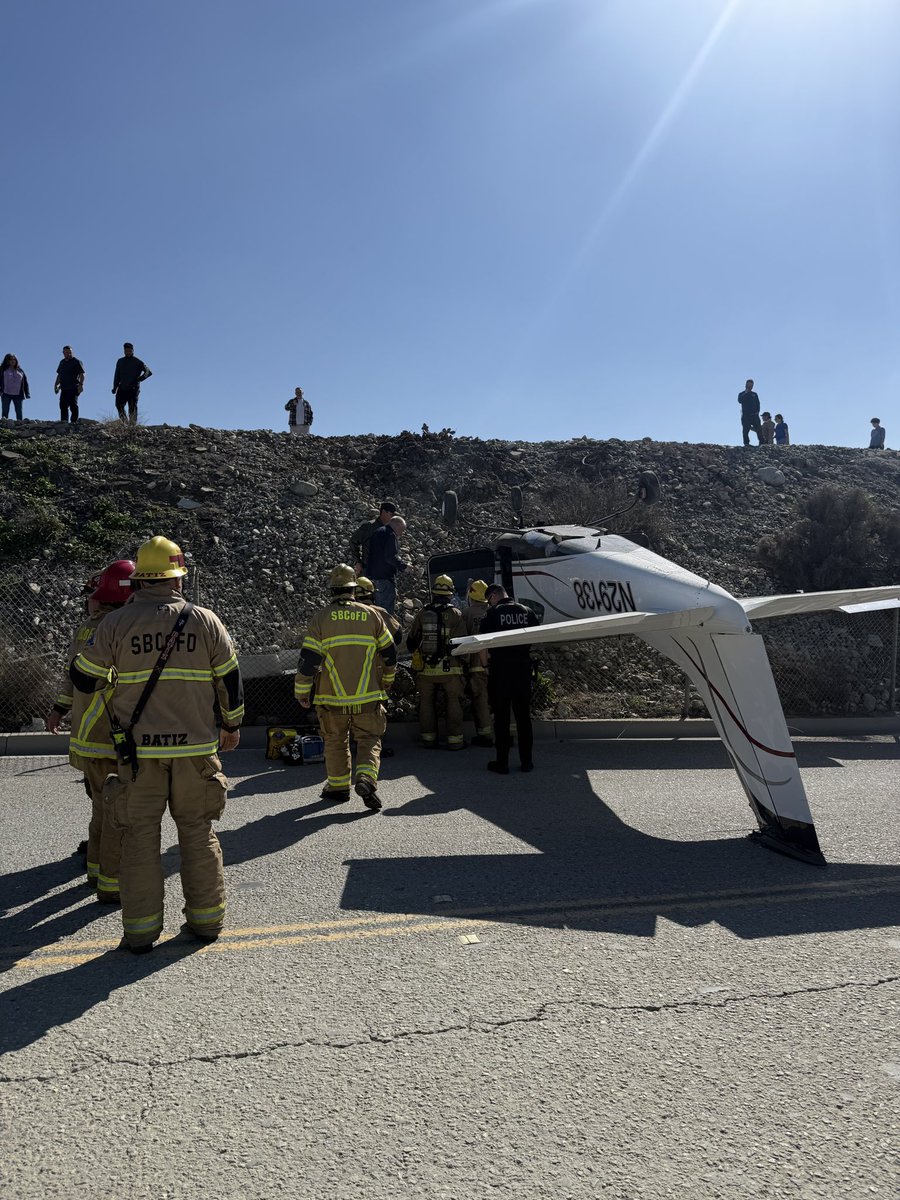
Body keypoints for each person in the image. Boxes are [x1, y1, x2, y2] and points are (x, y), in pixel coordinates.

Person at [70, 536, 243, 953]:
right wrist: (231, 725)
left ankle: (141, 931)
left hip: (139, 756)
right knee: (198, 834)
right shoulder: (205, 620)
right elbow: (231, 679)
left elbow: (84, 680)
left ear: (140, 580)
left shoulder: (115, 624)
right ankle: (206, 921)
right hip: (195, 752)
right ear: (177, 578)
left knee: (139, 839)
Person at [46, 560, 135, 901]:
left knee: (100, 804)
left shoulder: (87, 629)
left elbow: (71, 676)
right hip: (112, 735)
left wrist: (59, 709)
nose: (89, 599)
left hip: (88, 734)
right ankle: (110, 879)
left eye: (92, 594)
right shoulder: (124, 628)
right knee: (116, 809)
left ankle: (96, 871)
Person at [294, 564, 397, 810]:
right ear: (353, 588)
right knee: (369, 738)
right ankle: (366, 777)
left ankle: (339, 787)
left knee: (335, 741)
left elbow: (309, 661)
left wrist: (301, 691)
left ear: (332, 589)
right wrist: (388, 680)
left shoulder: (321, 619)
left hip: (332, 698)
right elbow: (390, 653)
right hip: (368, 696)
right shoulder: (372, 615)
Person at [478, 584, 539, 774]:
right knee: (523, 718)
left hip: (501, 671)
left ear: (494, 596)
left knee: (501, 719)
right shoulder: (527, 611)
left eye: (489, 600)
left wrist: (485, 666)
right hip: (522, 670)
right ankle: (527, 762)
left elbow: (482, 643)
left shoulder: (492, 614)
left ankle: (502, 763)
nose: (489, 603)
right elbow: (537, 638)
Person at [406, 574, 468, 750]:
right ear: (450, 594)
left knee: (426, 701)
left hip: (426, 669)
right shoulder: (455, 614)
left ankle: (428, 739)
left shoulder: (422, 613)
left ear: (433, 592)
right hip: (450, 669)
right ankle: (455, 741)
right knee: (453, 700)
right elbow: (462, 644)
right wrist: (465, 664)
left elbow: (411, 642)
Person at [461, 580, 494, 746]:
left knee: (481, 700)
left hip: (476, 665)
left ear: (471, 595)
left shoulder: (467, 613)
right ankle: (509, 733)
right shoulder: (493, 611)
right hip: (496, 665)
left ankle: (485, 735)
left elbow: (462, 639)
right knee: (501, 698)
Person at [360, 514, 408, 616]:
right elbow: (390, 557)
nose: (401, 533)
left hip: (372, 577)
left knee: (375, 610)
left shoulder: (377, 532)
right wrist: (404, 566)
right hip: (385, 578)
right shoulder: (390, 535)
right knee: (386, 612)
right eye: (402, 530)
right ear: (397, 525)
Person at [349, 501, 398, 572]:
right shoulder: (369, 527)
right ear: (383, 512)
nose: (393, 518)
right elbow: (353, 541)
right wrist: (357, 562)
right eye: (391, 514)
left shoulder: (391, 529)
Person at [111, 342, 152, 424]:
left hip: (133, 388)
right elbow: (117, 375)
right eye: (126, 351)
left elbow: (148, 372)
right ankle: (125, 422)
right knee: (118, 404)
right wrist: (115, 387)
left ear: (133, 351)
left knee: (132, 407)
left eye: (129, 351)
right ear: (124, 351)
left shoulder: (137, 361)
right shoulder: (120, 361)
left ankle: (132, 425)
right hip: (122, 387)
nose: (128, 352)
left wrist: (139, 379)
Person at [54, 346, 85, 424]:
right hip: (64, 388)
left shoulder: (76, 362)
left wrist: (81, 385)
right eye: (65, 352)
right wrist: (56, 385)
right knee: (63, 405)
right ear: (63, 353)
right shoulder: (62, 362)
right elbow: (59, 375)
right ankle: (64, 421)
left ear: (72, 352)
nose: (67, 354)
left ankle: (73, 421)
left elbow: (82, 374)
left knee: (73, 405)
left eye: (69, 352)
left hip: (74, 387)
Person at [1, 353, 30, 421]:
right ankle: (4, 425)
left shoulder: (20, 370)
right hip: (5, 394)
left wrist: (27, 393)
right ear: (7, 360)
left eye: (14, 359)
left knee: (19, 412)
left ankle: (20, 425)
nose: (13, 361)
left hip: (18, 395)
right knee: (5, 412)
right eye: (11, 359)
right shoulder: (2, 369)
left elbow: (25, 383)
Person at [738, 379, 762, 446]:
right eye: (749, 385)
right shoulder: (741, 394)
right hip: (746, 415)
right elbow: (740, 401)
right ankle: (746, 443)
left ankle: (762, 443)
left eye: (752, 385)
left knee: (759, 430)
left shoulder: (754, 394)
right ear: (746, 385)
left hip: (755, 415)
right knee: (745, 430)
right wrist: (746, 393)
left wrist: (758, 411)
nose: (750, 386)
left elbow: (758, 403)